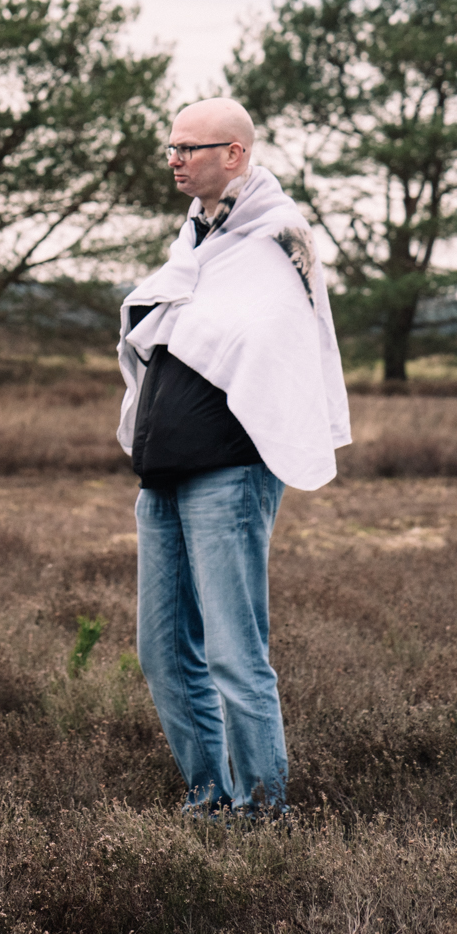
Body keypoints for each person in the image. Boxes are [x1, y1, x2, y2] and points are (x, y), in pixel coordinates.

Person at [119, 97, 350, 819]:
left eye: (189, 147)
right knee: (162, 651)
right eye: (171, 147)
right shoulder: (194, 239)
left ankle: (263, 814)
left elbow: (283, 348)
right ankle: (209, 799)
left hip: (232, 469)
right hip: (165, 472)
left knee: (234, 652)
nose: (175, 159)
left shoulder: (279, 238)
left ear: (235, 153)